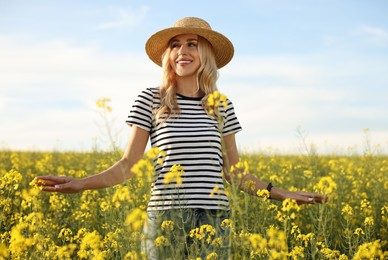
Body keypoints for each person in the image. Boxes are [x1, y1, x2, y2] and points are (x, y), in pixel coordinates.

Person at [36, 17, 327, 259]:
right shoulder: (151, 99)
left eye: (192, 44)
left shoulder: (221, 106)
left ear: (207, 55)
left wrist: (283, 194)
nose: (181, 51)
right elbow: (128, 165)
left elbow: (235, 174)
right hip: (165, 218)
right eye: (175, 45)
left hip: (216, 219)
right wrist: (81, 184)